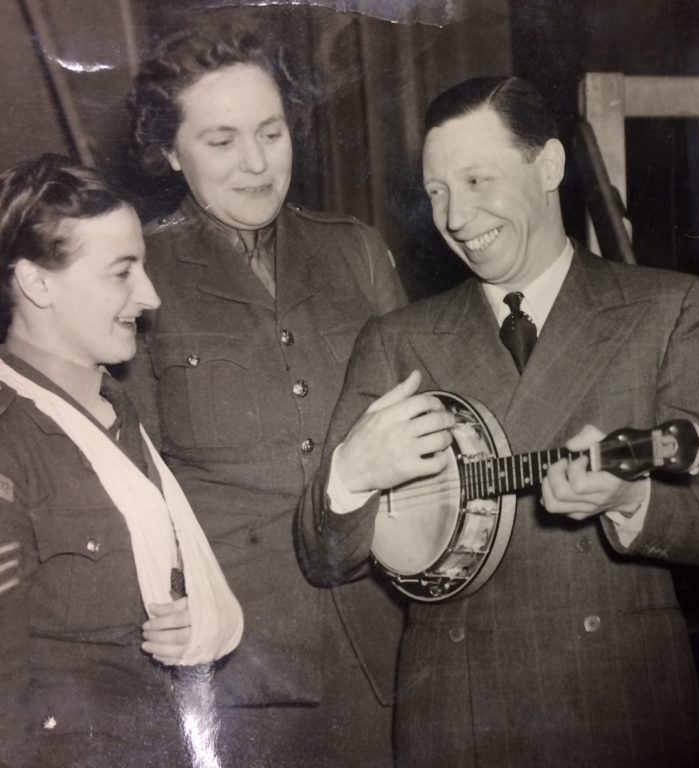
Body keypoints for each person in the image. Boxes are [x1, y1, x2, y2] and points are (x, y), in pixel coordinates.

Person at [296, 76, 699, 767]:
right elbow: (324, 556)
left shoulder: (673, 310)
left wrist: (635, 501)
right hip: (458, 720)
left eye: (478, 179)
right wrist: (349, 480)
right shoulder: (396, 338)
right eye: (436, 192)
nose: (456, 216)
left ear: (548, 165)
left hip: (622, 714)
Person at [124, 22, 407, 767]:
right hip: (241, 674)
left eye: (271, 132)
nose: (255, 163)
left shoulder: (356, 251)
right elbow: (131, 490)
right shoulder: (137, 274)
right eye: (221, 141)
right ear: (167, 150)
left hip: (391, 645)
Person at [0, 154, 243, 767]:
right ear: (37, 283)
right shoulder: (10, 441)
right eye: (120, 273)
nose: (151, 295)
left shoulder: (120, 411)